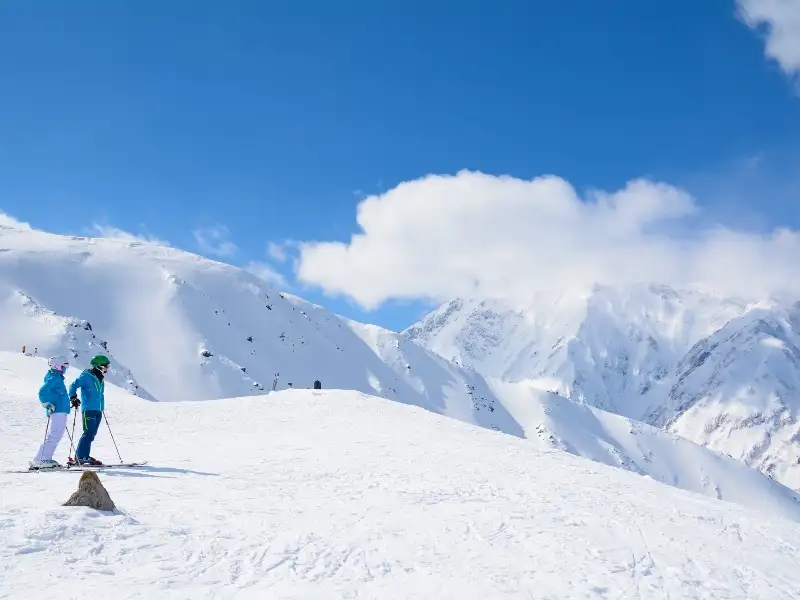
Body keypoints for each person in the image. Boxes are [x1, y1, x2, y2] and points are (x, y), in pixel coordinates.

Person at [30, 356, 71, 470]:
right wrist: (47, 404)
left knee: (56, 434)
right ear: (57, 365)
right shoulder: (54, 377)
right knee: (54, 434)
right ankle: (41, 459)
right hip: (57, 410)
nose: (65, 369)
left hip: (60, 409)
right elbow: (42, 392)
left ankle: (43, 458)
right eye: (63, 366)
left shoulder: (57, 377)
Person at [68, 354, 110, 466]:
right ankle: (81, 457)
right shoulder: (86, 376)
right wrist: (73, 397)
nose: (107, 368)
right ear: (99, 366)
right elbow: (73, 385)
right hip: (89, 409)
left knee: (91, 434)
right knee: (88, 433)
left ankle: (83, 455)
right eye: (106, 366)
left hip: (98, 410)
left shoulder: (100, 378)